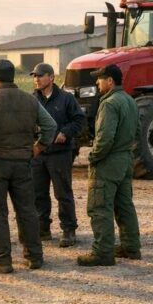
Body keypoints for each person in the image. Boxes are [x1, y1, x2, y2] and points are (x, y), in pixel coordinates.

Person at [0, 59, 57, 273]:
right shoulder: (29, 100)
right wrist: (39, 147)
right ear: (13, 78)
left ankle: (1, 260)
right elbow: (50, 125)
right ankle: (34, 256)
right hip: (23, 163)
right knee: (27, 210)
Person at [79, 64, 141, 266]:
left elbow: (105, 138)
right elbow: (138, 131)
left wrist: (93, 157)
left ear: (110, 81)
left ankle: (103, 252)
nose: (97, 83)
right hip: (125, 159)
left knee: (100, 207)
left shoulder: (109, 104)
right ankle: (131, 247)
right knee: (124, 206)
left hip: (108, 161)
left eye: (100, 79)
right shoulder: (130, 101)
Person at [29, 63, 86, 248]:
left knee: (63, 193)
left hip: (60, 154)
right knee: (38, 194)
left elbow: (79, 120)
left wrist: (66, 132)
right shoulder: (31, 99)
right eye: (34, 76)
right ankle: (42, 229)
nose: (36, 79)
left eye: (40, 75)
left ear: (51, 77)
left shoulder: (66, 99)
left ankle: (68, 230)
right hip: (39, 154)